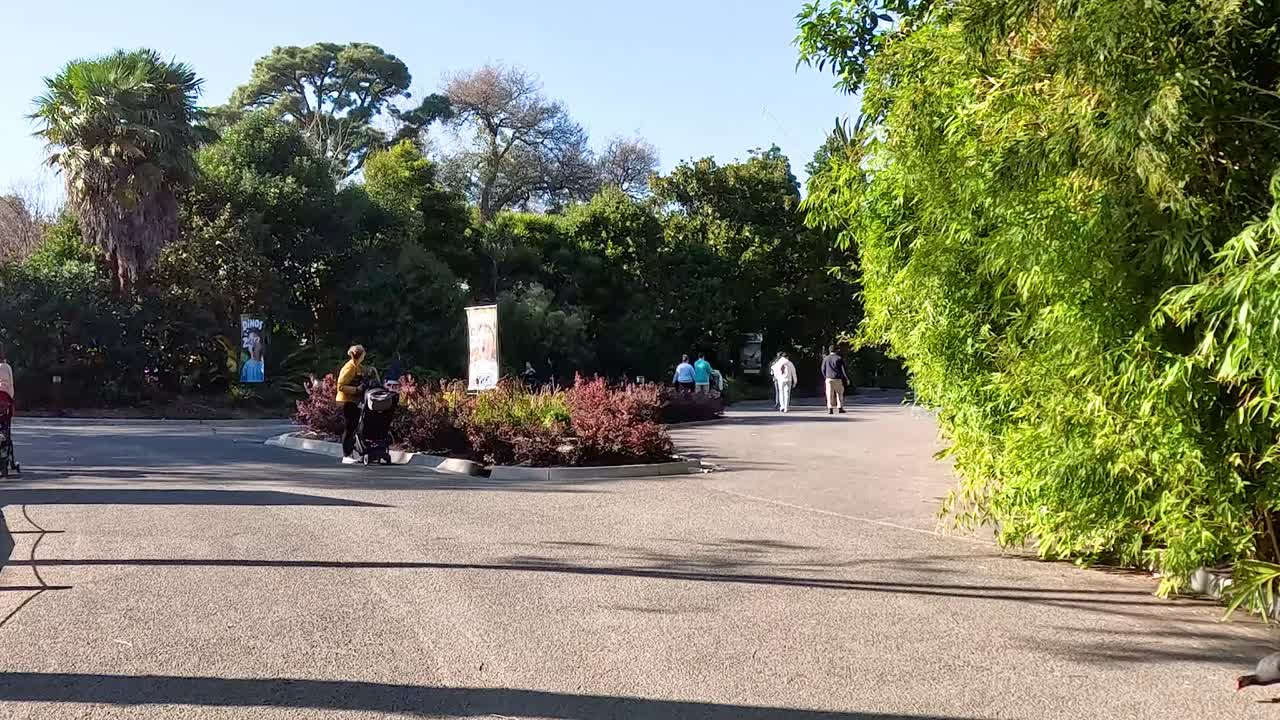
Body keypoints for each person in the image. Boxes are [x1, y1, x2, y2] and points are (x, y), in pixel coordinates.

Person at [335, 345, 366, 461]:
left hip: (354, 401)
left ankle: (352, 453)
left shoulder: (357, 366)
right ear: (361, 355)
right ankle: (346, 455)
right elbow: (341, 386)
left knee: (354, 427)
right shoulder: (350, 367)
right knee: (349, 427)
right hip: (346, 401)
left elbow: (365, 373)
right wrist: (357, 390)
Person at [821, 346, 851, 415]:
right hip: (837, 378)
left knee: (829, 394)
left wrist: (826, 376)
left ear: (829, 351)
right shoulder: (839, 358)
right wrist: (846, 378)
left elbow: (823, 369)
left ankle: (830, 408)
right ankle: (840, 407)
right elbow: (843, 370)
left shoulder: (826, 358)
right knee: (839, 393)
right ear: (836, 351)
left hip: (829, 378)